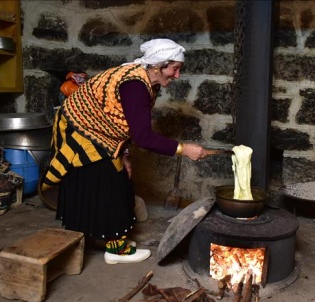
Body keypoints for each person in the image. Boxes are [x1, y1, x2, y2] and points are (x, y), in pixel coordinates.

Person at [41, 38, 208, 264]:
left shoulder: (147, 79)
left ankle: (105, 237)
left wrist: (124, 154)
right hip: (82, 128)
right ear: (159, 65)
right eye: (175, 69)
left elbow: (124, 123)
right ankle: (115, 250)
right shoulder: (136, 86)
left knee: (119, 180)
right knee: (110, 184)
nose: (177, 76)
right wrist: (183, 149)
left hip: (99, 128)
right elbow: (143, 137)